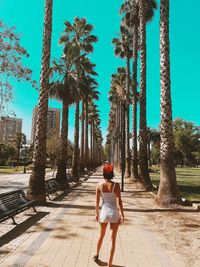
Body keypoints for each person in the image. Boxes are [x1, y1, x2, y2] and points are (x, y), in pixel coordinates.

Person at [94, 163, 124, 267]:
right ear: (111, 173)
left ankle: (96, 254)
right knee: (113, 239)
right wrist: (122, 215)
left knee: (101, 235)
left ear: (103, 174)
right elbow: (119, 202)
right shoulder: (116, 185)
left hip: (104, 213)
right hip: (114, 213)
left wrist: (96, 214)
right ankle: (109, 265)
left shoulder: (99, 185)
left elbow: (97, 203)